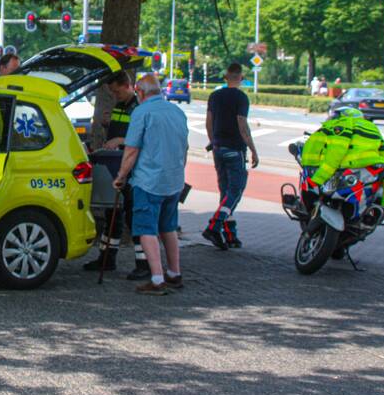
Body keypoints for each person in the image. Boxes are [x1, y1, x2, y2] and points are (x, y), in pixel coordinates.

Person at [112, 74, 188, 295]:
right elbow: (184, 147)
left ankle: (157, 279)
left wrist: (121, 176)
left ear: (140, 92)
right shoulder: (177, 112)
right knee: (169, 227)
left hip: (149, 181)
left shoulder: (142, 112)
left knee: (146, 228)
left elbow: (132, 148)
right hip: (174, 180)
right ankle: (174, 273)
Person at [83, 71, 150, 279]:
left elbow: (141, 136)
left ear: (127, 85)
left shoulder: (138, 106)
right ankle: (107, 258)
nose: (115, 95)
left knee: (132, 214)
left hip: (132, 168)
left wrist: (120, 139)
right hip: (116, 164)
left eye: (117, 91)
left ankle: (143, 263)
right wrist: (107, 126)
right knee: (112, 214)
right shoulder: (121, 105)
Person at [203, 62, 259, 250]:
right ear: (241, 78)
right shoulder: (241, 98)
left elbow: (209, 122)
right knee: (235, 190)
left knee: (226, 193)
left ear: (226, 77)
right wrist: (253, 149)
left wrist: (213, 141)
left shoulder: (215, 96)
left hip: (218, 148)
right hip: (235, 149)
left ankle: (230, 236)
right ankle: (214, 226)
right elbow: (242, 123)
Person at [300, 106, 384, 211]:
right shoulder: (372, 127)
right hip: (372, 168)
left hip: (349, 166)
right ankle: (383, 209)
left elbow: (336, 153)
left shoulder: (343, 123)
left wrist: (318, 179)